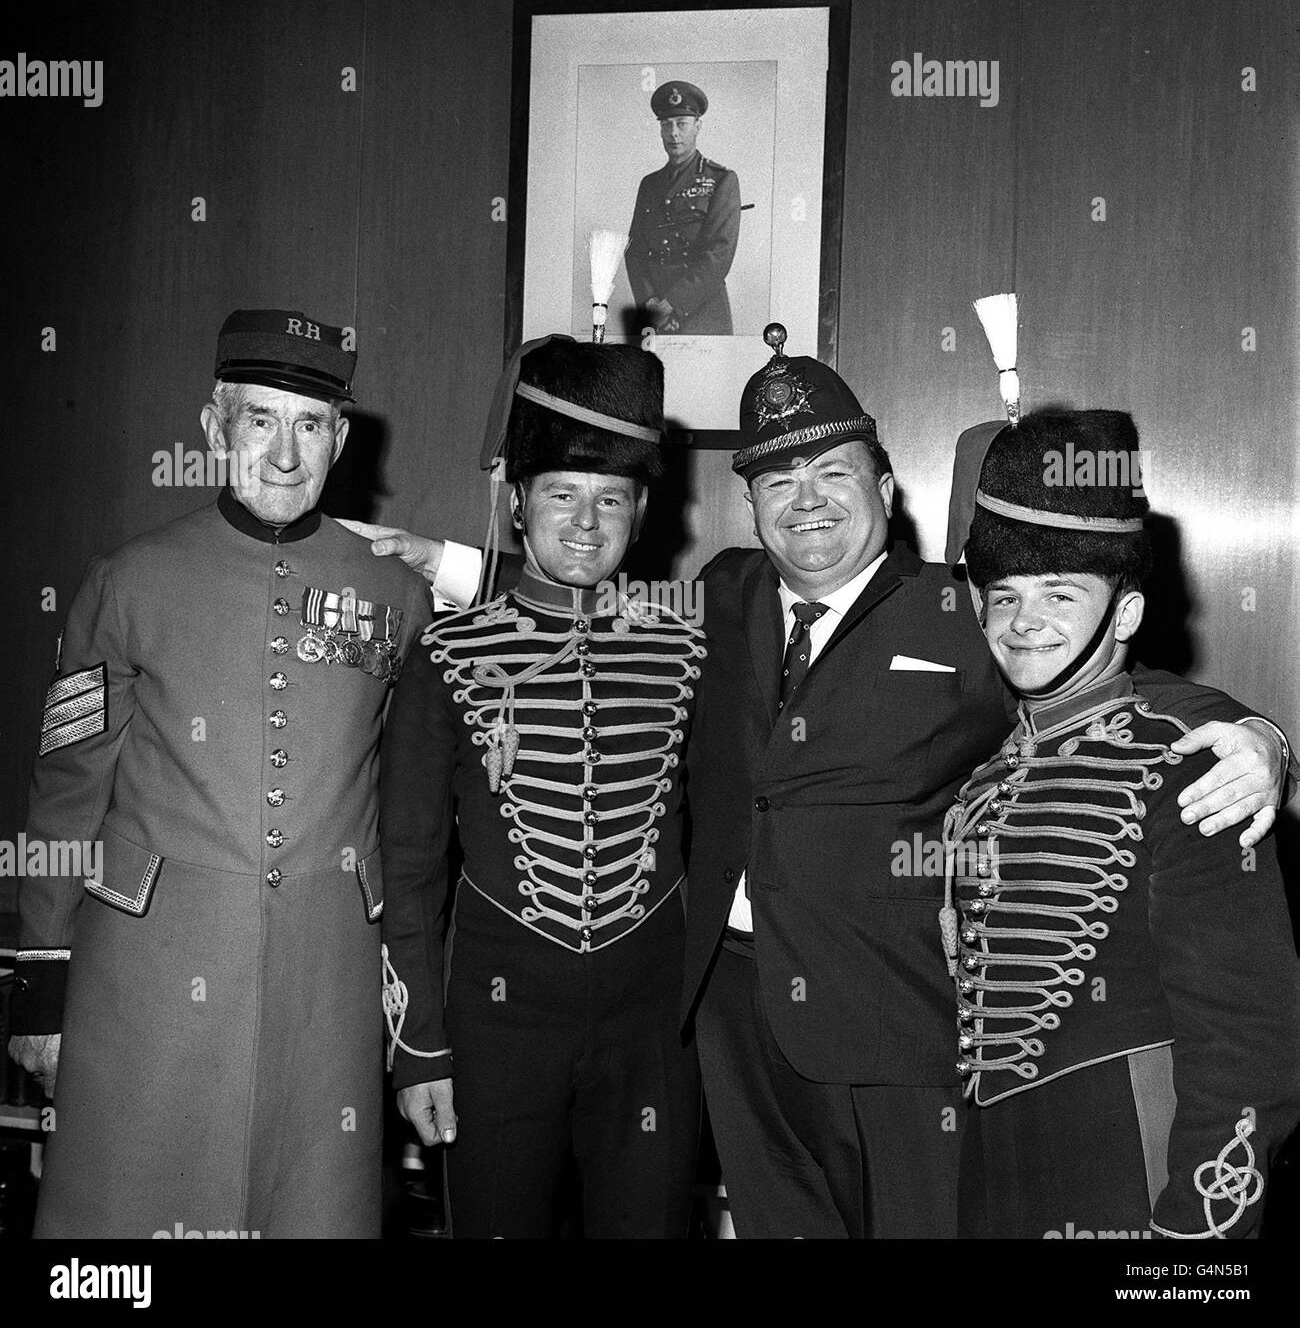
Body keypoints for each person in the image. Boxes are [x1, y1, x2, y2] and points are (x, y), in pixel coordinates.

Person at [350, 324, 1289, 1238]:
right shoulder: (715, 594)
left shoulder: (966, 606)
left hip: (898, 1027)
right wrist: (447, 564)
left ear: (883, 484)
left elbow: (1082, 668)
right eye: (778, 480)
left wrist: (1256, 735)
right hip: (728, 1019)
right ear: (750, 501)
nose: (808, 501)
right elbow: (577, 589)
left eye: (834, 473)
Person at [6, 310, 432, 1238]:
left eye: (310, 425)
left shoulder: (397, 594)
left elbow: (418, 806)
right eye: (260, 419)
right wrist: (41, 982)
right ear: (214, 427)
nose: (285, 452)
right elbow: (64, 793)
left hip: (327, 990)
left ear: (341, 440)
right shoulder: (128, 580)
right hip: (148, 980)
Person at [942, 406, 1300, 1239]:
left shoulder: (1193, 767)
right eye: (1004, 596)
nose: (1023, 621)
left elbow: (1253, 1038)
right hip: (996, 1171)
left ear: (1127, 616)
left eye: (1060, 594)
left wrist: (1196, 1237)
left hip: (1132, 1166)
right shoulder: (983, 785)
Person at [378, 336, 705, 1238]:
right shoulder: (446, 657)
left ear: (642, 512)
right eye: (561, 492)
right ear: (518, 500)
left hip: (654, 1031)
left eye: (612, 497)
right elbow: (406, 867)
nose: (587, 521)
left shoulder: (689, 650)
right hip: (496, 1025)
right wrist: (418, 1050)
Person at [625, 80, 741, 336]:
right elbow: (634, 250)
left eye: (681, 124)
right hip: (654, 313)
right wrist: (650, 303)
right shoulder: (649, 185)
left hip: (703, 310)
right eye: (666, 125)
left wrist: (673, 304)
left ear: (697, 126)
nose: (673, 133)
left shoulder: (722, 179)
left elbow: (719, 254)